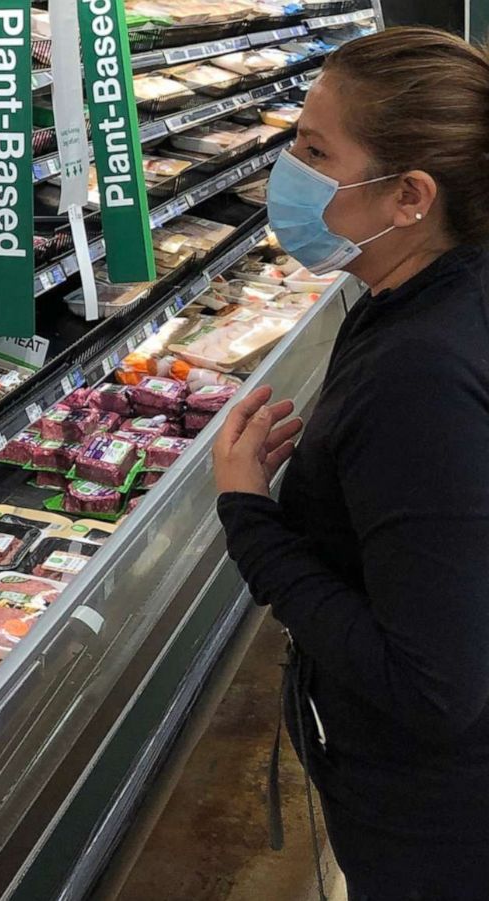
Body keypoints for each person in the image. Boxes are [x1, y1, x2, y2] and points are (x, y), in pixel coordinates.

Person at [210, 25, 489, 901]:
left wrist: (250, 513)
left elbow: (433, 687)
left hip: (434, 832)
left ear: (409, 195)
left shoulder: (424, 375)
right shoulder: (419, 291)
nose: (286, 166)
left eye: (313, 148)